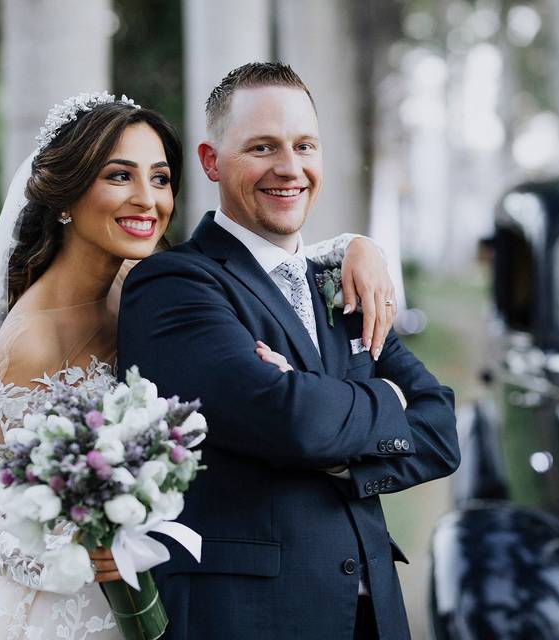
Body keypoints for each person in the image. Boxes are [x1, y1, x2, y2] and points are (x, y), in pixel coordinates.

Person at [0, 91, 394, 640]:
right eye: (120, 177)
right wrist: (87, 548)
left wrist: (355, 246)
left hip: (186, 590)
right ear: (66, 195)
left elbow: (260, 264)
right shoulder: (33, 339)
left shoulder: (146, 281)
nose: (147, 200)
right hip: (79, 609)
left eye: (160, 179)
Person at [118, 62, 461, 640]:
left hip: (373, 614)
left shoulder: (345, 279)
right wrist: (386, 397)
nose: (289, 167)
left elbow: (441, 429)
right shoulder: (175, 284)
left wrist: (340, 451)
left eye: (305, 145)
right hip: (249, 620)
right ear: (210, 161)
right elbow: (289, 418)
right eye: (262, 147)